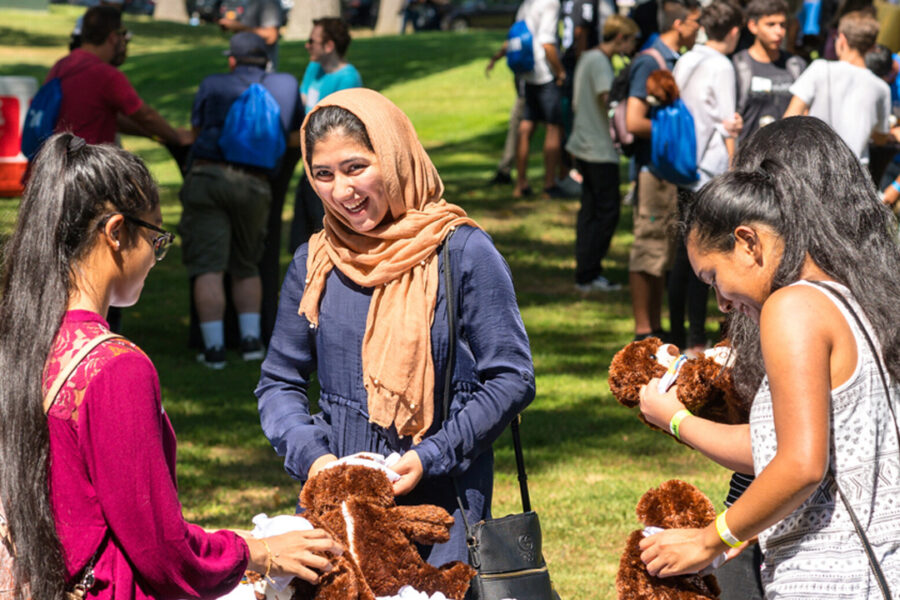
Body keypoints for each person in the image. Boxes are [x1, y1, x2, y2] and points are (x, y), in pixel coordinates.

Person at [0, 133, 342, 600]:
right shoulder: (114, 367)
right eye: (156, 237)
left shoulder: (23, 339)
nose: (157, 258)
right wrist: (258, 551)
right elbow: (161, 551)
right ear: (116, 232)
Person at [256, 88, 536, 565]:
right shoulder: (315, 260)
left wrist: (432, 454)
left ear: (395, 157)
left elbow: (511, 378)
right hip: (339, 510)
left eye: (356, 167)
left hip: (441, 511)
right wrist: (318, 462)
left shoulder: (463, 253)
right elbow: (279, 382)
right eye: (323, 175)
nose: (341, 191)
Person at [637, 116, 900, 597]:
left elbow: (800, 463)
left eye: (714, 278)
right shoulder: (846, 297)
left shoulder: (792, 307)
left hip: (831, 578)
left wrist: (710, 540)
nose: (720, 302)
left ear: (747, 241)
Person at [181, 32, 302, 369]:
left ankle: (214, 350)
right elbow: (295, 134)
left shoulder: (213, 83)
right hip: (256, 182)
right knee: (247, 264)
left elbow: (194, 131)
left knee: (209, 265)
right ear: (265, 58)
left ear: (232, 60)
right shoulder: (286, 85)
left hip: (208, 177)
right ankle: (251, 344)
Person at [667, 0, 743, 354]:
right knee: (705, 257)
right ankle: (696, 339)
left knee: (681, 255)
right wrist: (735, 168)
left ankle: (676, 333)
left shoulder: (686, 58)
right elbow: (729, 123)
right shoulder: (721, 65)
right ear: (733, 31)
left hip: (682, 163)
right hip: (709, 169)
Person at [625, 0, 700, 341]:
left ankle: (657, 329)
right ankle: (644, 331)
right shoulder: (650, 62)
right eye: (696, 22)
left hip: (670, 175)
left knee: (665, 255)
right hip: (653, 173)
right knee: (648, 249)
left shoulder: (676, 60)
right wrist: (677, 133)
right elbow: (633, 120)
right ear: (681, 23)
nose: (700, 29)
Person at [566, 14, 639, 293]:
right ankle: (589, 271)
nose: (631, 47)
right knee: (605, 212)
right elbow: (607, 100)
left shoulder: (589, 57)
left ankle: (585, 270)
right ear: (620, 38)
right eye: (630, 40)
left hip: (584, 144)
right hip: (597, 148)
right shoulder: (599, 62)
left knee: (591, 210)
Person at [289, 17, 363, 254]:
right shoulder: (315, 69)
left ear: (329, 46)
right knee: (303, 234)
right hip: (309, 163)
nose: (307, 46)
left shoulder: (348, 79)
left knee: (328, 231)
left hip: (329, 168)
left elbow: (340, 132)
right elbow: (301, 104)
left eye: (312, 41)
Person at [784, 10, 893, 165]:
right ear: (873, 47)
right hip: (854, 174)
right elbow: (881, 138)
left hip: (813, 166)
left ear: (841, 39)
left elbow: (790, 118)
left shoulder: (819, 68)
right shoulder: (882, 88)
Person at [512, 0, 566, 199]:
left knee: (526, 127)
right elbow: (547, 42)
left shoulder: (527, 3)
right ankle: (549, 185)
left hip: (528, 73)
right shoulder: (551, 3)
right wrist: (560, 72)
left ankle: (520, 184)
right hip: (545, 74)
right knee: (553, 127)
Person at [732, 0, 807, 143]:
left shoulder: (796, 65)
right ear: (753, 26)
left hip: (787, 156)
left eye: (782, 25)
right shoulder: (739, 66)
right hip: (749, 156)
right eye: (771, 24)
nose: (779, 32)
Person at [218, 0, 284, 70]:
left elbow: (271, 36)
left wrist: (237, 26)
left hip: (262, 69)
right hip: (242, 67)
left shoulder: (268, 1)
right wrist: (232, 26)